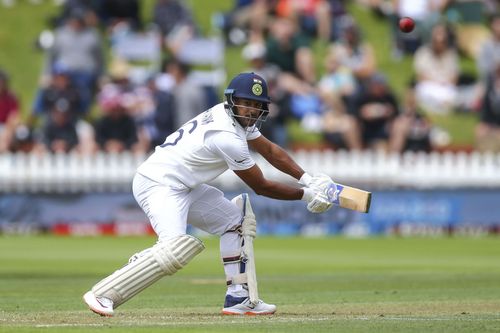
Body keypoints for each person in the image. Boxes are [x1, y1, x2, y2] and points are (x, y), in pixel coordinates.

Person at [82, 72, 336, 316]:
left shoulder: (236, 118)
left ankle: (239, 298)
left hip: (185, 185)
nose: (250, 110)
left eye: (256, 105)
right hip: (159, 183)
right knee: (173, 249)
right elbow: (261, 185)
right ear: (232, 101)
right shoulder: (226, 136)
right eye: (245, 103)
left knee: (236, 222)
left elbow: (270, 151)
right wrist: (306, 195)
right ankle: (104, 293)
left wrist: (309, 179)